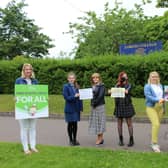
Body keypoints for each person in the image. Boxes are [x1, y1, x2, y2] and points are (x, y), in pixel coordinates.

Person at [15, 63, 39, 154]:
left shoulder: (35, 81)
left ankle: (33, 146)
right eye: (26, 69)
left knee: (33, 128)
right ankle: (26, 148)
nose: (28, 71)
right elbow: (16, 93)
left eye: (30, 69)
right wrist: (16, 97)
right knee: (24, 128)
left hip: (33, 107)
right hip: (23, 108)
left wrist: (44, 97)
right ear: (23, 71)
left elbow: (38, 93)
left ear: (32, 71)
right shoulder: (19, 80)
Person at [144, 71, 164, 153]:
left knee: (156, 126)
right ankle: (154, 144)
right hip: (151, 107)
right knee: (156, 124)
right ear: (150, 78)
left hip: (160, 108)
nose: (154, 78)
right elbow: (149, 97)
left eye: (156, 76)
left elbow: (163, 96)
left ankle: (153, 141)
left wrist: (165, 99)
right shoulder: (147, 86)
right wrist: (158, 100)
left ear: (158, 78)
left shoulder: (160, 85)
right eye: (153, 76)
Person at [113, 71, 135, 147]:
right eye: (123, 76)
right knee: (119, 124)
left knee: (129, 123)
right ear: (120, 77)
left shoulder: (129, 85)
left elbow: (127, 91)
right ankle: (120, 139)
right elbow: (114, 92)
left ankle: (131, 139)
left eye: (126, 76)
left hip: (127, 105)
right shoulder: (117, 85)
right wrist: (117, 87)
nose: (125, 77)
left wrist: (121, 89)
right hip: (119, 105)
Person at [63, 72, 83, 146]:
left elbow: (80, 98)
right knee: (70, 124)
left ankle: (75, 139)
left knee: (75, 124)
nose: (71, 79)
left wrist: (81, 108)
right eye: (70, 78)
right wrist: (74, 96)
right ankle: (70, 140)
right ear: (68, 79)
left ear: (75, 79)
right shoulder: (65, 86)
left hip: (76, 108)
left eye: (73, 78)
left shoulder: (77, 86)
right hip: (69, 108)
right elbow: (66, 97)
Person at [89, 73, 106, 145]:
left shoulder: (102, 86)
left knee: (100, 122)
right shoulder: (93, 86)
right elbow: (91, 96)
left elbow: (100, 96)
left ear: (99, 78)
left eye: (97, 78)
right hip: (94, 106)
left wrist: (94, 104)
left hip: (99, 106)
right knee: (96, 122)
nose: (95, 79)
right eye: (94, 78)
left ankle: (100, 138)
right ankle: (100, 138)